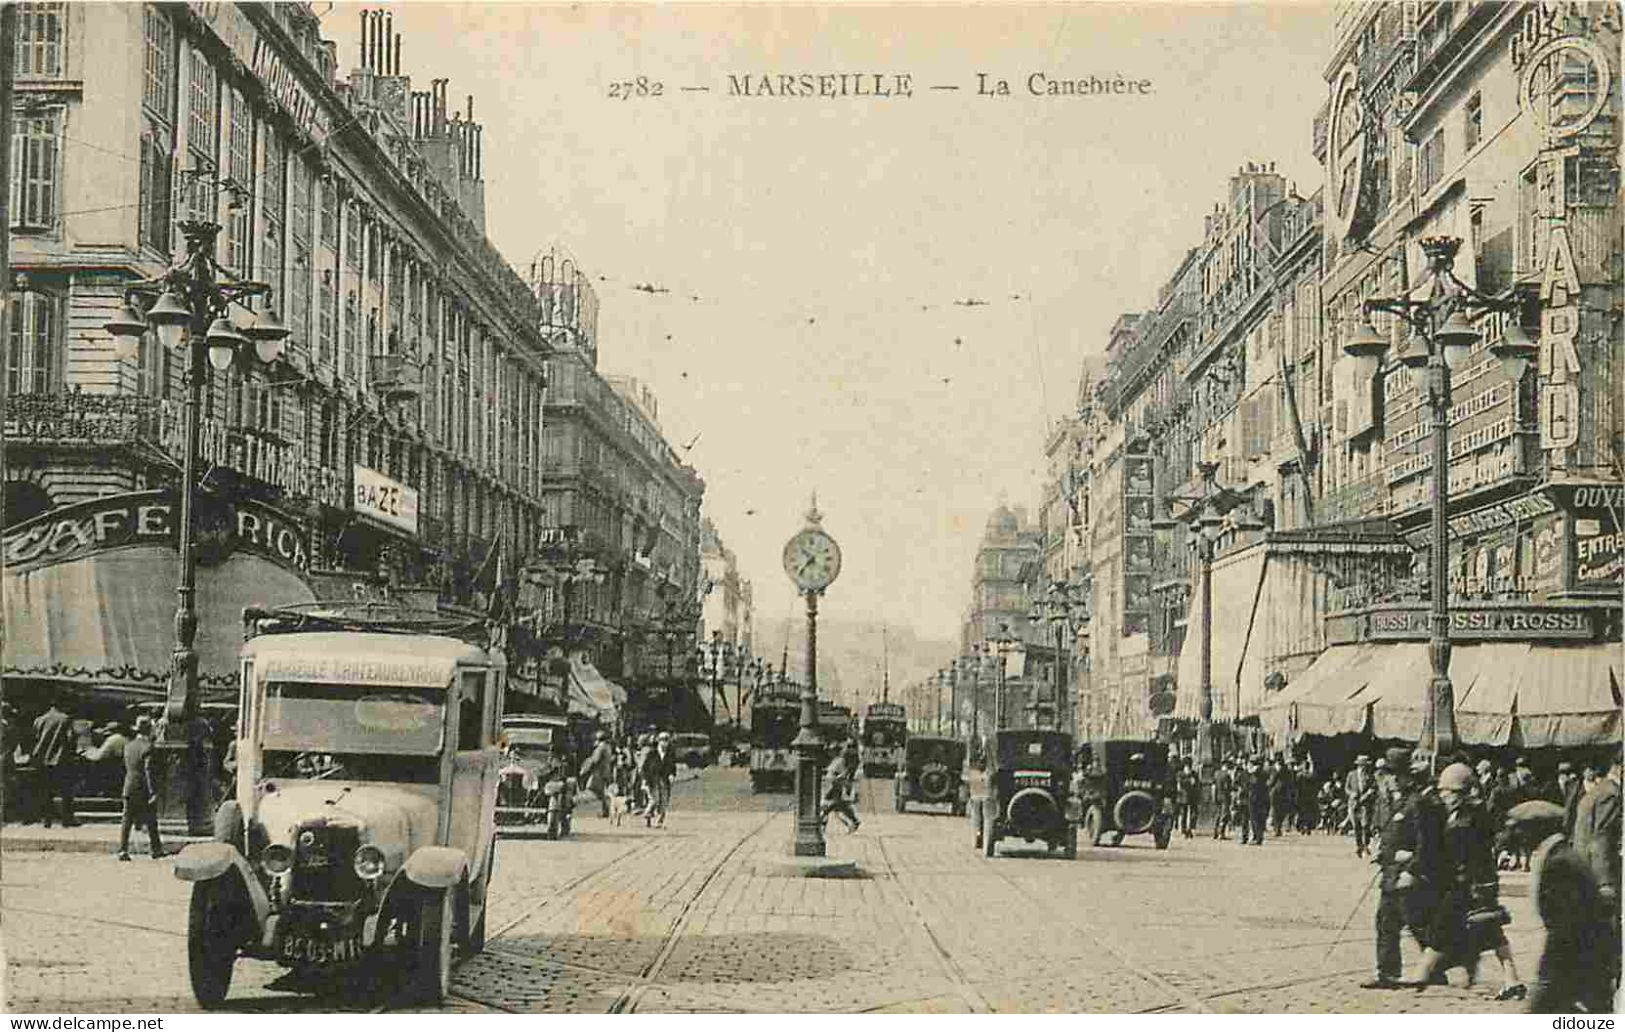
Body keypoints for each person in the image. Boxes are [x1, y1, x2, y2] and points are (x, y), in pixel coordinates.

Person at [1364, 748, 1423, 989]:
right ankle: (1387, 973)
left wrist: (1411, 862)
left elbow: (1426, 843)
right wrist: (1382, 852)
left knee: (1420, 924)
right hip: (1391, 874)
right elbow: (1390, 834)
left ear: (1406, 776)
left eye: (1395, 774)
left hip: (1409, 875)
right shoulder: (1394, 801)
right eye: (1389, 775)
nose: (1391, 779)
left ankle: (1439, 966)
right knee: (1386, 921)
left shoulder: (1416, 803)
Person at [1570, 749, 1621, 1001]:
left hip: (1583, 871)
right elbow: (1601, 840)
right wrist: (1605, 883)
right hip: (1597, 874)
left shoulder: (1597, 792)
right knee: (1604, 933)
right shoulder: (1611, 795)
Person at [117, 716, 163, 861]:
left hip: (129, 784)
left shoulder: (128, 745)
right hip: (142, 787)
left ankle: (123, 849)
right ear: (149, 729)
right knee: (151, 819)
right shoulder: (149, 747)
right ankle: (156, 849)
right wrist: (152, 791)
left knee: (127, 820)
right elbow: (148, 770)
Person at [31, 702, 79, 828]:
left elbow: (35, 739)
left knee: (46, 792)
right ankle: (67, 820)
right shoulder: (65, 719)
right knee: (66, 792)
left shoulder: (39, 720)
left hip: (43, 760)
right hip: (60, 759)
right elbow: (70, 738)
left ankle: (47, 820)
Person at [821, 744, 861, 832]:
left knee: (830, 805)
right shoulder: (836, 760)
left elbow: (842, 773)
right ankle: (854, 821)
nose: (829, 752)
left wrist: (839, 779)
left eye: (831, 751)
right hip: (832, 784)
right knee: (838, 806)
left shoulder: (840, 761)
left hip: (834, 785)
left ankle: (822, 823)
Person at [640, 732, 676, 827]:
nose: (664, 743)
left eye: (666, 740)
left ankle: (660, 821)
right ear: (658, 741)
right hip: (652, 780)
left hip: (664, 780)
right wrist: (644, 780)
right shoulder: (652, 753)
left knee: (664, 801)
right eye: (662, 740)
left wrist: (672, 775)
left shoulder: (670, 754)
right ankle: (647, 814)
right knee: (654, 799)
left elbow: (673, 767)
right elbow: (645, 768)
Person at [1346, 755, 1377, 857]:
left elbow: (1373, 787)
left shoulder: (1369, 775)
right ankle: (1359, 846)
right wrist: (1351, 794)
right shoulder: (1351, 774)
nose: (1364, 767)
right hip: (1354, 803)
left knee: (1365, 825)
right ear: (1359, 765)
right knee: (1356, 826)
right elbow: (1347, 788)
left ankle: (1366, 845)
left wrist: (1368, 794)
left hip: (1365, 803)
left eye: (1365, 766)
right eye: (1362, 765)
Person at [580, 730, 614, 818]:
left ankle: (606, 809)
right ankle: (605, 810)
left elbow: (595, 760)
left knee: (594, 789)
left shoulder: (601, 748)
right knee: (600, 792)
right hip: (605, 771)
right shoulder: (607, 747)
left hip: (599, 772)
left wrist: (586, 767)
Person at [1245, 757, 1269, 846]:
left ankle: (1256, 837)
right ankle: (1259, 837)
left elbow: (1252, 784)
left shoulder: (1255, 773)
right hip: (1262, 797)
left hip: (1254, 798)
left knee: (1254, 818)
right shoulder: (1263, 772)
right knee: (1260, 818)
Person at [1176, 758, 1201, 839]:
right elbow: (1180, 782)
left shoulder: (1194, 773)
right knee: (1184, 813)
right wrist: (1189, 780)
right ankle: (1184, 830)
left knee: (1193, 813)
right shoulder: (1180, 773)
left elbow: (1197, 783)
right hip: (1183, 796)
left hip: (1192, 796)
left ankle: (1190, 828)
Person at [1211, 760, 1234, 840]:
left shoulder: (1216, 773)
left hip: (1217, 796)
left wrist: (1214, 796)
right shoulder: (1226, 775)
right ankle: (1221, 832)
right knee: (1224, 815)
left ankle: (1215, 832)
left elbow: (1213, 786)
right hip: (1225, 797)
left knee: (1218, 814)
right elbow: (1228, 787)